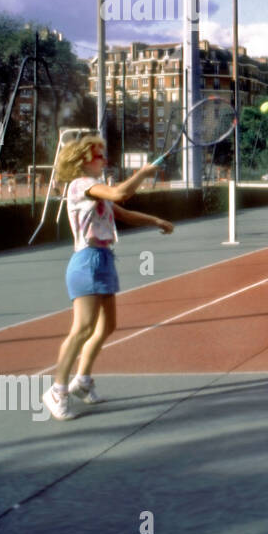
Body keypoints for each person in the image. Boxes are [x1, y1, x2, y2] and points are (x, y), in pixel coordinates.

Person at [42, 134, 174, 420]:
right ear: (83, 160)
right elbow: (119, 194)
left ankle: (82, 381)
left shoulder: (96, 189)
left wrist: (156, 221)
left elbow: (122, 212)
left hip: (103, 259)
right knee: (82, 328)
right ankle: (57, 390)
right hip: (86, 260)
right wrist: (142, 173)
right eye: (99, 155)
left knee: (107, 326)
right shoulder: (80, 185)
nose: (105, 158)